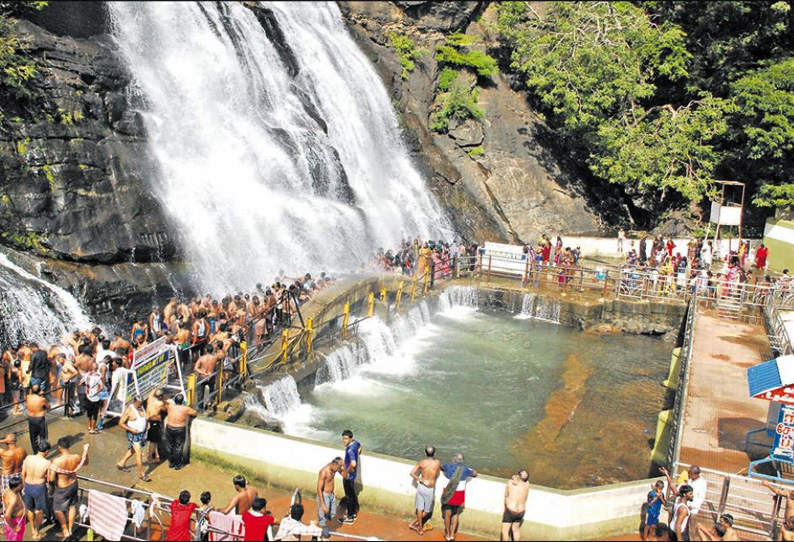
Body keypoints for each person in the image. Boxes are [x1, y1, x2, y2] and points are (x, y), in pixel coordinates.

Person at [49, 437, 90, 539]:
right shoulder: (75, 457)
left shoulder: (57, 461)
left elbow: (51, 478)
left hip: (62, 488)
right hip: (73, 484)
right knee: (72, 506)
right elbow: (85, 462)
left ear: (59, 448)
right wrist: (85, 452)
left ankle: (65, 530)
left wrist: (51, 487)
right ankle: (70, 529)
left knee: (57, 509)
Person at [440, 453, 478, 542]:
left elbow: (441, 467)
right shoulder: (465, 470)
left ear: (454, 459)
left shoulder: (447, 466)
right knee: (455, 514)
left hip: (448, 494)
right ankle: (453, 535)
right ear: (462, 461)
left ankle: (448, 534)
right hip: (459, 495)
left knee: (447, 514)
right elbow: (475, 474)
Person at [22, 439, 51, 541]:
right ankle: (36, 531)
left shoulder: (28, 458)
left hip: (28, 485)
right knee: (39, 511)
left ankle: (32, 528)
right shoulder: (47, 463)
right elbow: (49, 479)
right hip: (39, 487)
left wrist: (23, 485)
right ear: (47, 452)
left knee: (29, 509)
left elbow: (23, 473)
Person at [409, 445, 442, 535]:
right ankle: (413, 524)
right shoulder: (438, 462)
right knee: (427, 511)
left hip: (421, 487)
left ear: (425, 453)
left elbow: (412, 473)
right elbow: (440, 471)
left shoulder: (422, 462)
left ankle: (419, 529)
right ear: (434, 453)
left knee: (419, 508)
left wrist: (421, 479)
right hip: (429, 489)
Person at [116, 396, 151, 482]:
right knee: (138, 452)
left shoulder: (142, 407)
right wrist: (131, 430)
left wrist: (147, 425)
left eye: (141, 404)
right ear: (135, 401)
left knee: (133, 450)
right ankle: (141, 474)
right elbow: (120, 423)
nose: (140, 405)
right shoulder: (129, 409)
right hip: (133, 434)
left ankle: (121, 463)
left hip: (141, 433)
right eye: (139, 404)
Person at [165, 393, 197, 470]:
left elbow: (164, 405)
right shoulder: (185, 409)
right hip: (179, 429)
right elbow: (195, 413)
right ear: (182, 401)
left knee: (170, 446)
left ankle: (171, 463)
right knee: (178, 447)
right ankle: (177, 465)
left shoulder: (170, 407)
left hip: (169, 427)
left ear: (174, 400)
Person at [317, 457, 343, 537]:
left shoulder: (334, 469)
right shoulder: (324, 472)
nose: (339, 469)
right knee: (323, 517)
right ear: (334, 465)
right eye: (338, 468)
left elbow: (344, 472)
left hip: (331, 495)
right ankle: (321, 534)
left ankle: (324, 524)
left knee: (333, 513)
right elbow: (319, 489)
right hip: (325, 496)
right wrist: (323, 504)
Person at [501, 470, 530, 541]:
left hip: (510, 510)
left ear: (518, 476)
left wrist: (514, 477)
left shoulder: (510, 482)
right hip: (521, 511)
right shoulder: (527, 484)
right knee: (515, 530)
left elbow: (506, 494)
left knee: (505, 531)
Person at [341, 429, 362, 524]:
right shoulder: (355, 443)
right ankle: (353, 513)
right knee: (352, 495)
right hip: (352, 476)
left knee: (349, 496)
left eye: (346, 439)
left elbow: (353, 464)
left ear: (350, 439)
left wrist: (346, 472)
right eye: (343, 438)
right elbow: (360, 446)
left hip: (348, 477)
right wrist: (359, 450)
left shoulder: (350, 450)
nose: (344, 440)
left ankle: (350, 517)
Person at [26, 385, 49, 454]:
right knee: (43, 437)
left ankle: (35, 452)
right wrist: (41, 396)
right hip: (40, 419)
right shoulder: (42, 399)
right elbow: (48, 407)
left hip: (31, 418)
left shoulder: (28, 397)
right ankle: (42, 452)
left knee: (33, 437)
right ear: (40, 391)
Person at [146, 389, 167, 463]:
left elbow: (152, 391)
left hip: (148, 420)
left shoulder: (150, 399)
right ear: (161, 396)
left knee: (154, 440)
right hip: (154, 422)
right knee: (153, 441)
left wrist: (156, 388)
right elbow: (165, 409)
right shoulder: (160, 403)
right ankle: (149, 457)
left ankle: (156, 455)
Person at [82, 362, 104, 434]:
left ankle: (88, 426)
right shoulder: (98, 377)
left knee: (89, 413)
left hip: (87, 396)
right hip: (95, 398)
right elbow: (101, 387)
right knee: (94, 414)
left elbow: (81, 382)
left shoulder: (87, 375)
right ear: (97, 368)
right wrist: (96, 393)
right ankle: (92, 429)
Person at [2, 476, 25, 541]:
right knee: (15, 539)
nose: (22, 486)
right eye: (20, 485)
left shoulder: (7, 490)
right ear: (15, 487)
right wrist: (14, 527)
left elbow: (3, 498)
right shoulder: (13, 500)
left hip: (12, 520)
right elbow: (7, 515)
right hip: (15, 521)